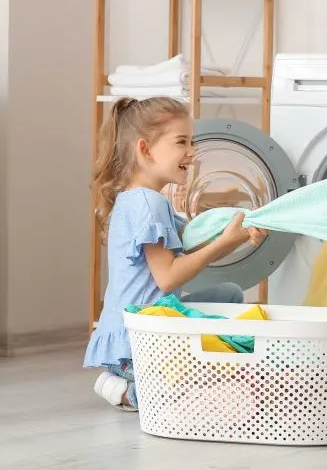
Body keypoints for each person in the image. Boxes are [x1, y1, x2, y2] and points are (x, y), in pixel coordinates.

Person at [83, 97, 268, 411]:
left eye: (191, 141)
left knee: (230, 294)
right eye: (182, 142)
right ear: (145, 150)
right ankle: (127, 391)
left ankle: (142, 379)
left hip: (146, 328)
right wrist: (223, 244)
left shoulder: (142, 199)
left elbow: (191, 246)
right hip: (137, 345)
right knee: (205, 390)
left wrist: (235, 237)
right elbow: (168, 278)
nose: (192, 151)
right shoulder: (148, 204)